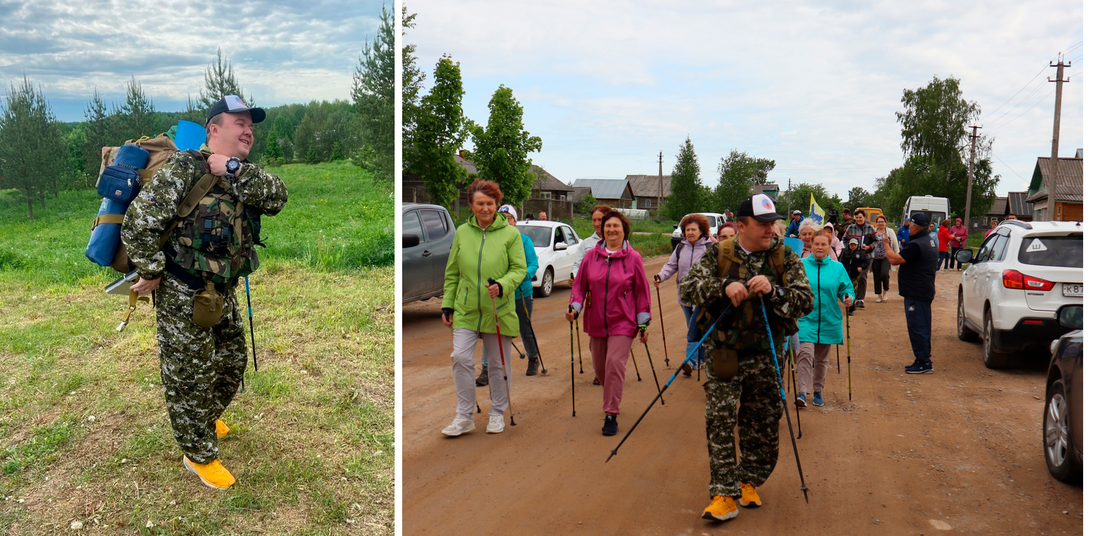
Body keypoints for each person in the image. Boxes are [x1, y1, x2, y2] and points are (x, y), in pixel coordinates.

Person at [121, 95, 288, 490]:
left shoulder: (242, 172)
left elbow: (278, 196)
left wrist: (230, 167)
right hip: (183, 289)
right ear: (213, 129)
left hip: (222, 290)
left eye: (251, 124)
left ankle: (201, 417)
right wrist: (152, 271)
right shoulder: (183, 168)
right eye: (239, 123)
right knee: (188, 376)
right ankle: (198, 454)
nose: (248, 130)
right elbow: (137, 224)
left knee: (231, 359)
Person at [679, 194, 813, 522]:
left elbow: (805, 301)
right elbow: (687, 290)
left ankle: (747, 479)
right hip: (724, 352)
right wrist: (723, 286)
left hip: (767, 353)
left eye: (772, 223)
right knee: (720, 420)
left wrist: (775, 290)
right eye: (763, 223)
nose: (771, 229)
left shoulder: (784, 257)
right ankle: (723, 494)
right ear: (741, 226)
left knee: (763, 424)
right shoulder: (719, 254)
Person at [440, 180, 528, 437]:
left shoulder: (511, 235)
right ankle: (464, 416)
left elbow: (519, 269)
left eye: (490, 203)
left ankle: (497, 412)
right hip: (466, 309)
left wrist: (502, 285)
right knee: (460, 358)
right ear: (471, 205)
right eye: (480, 203)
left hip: (497, 308)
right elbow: (453, 271)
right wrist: (448, 303)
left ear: (497, 205)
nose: (485, 208)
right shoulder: (462, 233)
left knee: (499, 364)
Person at [567, 210, 651, 436]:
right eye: (608, 226)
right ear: (602, 231)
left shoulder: (633, 258)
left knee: (615, 363)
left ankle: (611, 413)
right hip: (596, 320)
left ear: (624, 231)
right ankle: (611, 394)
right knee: (600, 367)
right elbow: (580, 287)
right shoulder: (590, 256)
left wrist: (643, 322)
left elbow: (642, 292)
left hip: (623, 321)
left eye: (616, 226)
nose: (612, 230)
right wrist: (575, 307)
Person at [476, 205, 541, 384]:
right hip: (499, 294)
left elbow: (532, 265)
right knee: (490, 329)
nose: (505, 220)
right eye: (502, 216)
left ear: (515, 221)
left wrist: (520, 276)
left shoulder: (524, 240)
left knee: (524, 328)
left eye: (509, 217)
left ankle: (533, 357)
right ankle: (486, 369)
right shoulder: (492, 239)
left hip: (521, 292)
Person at [796, 231, 854, 407]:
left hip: (828, 318)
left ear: (830, 246)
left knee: (822, 359)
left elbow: (847, 288)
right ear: (810, 246)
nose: (819, 247)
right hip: (805, 318)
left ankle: (818, 390)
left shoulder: (838, 268)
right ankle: (802, 392)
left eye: (823, 244)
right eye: (816, 244)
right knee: (804, 353)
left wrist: (848, 297)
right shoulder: (801, 265)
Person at [655, 214, 715, 378]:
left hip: (702, 296)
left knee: (694, 328)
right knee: (693, 327)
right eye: (687, 229)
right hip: (684, 295)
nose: (690, 232)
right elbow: (671, 265)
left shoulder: (710, 247)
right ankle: (701, 357)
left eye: (693, 229)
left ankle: (691, 361)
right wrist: (661, 276)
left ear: (701, 230)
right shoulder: (681, 247)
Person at [883, 211, 937, 374]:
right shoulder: (929, 240)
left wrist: (885, 244)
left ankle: (923, 362)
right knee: (923, 326)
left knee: (917, 327)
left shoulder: (917, 245)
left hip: (917, 292)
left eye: (911, 225)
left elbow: (894, 259)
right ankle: (923, 359)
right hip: (923, 290)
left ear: (914, 227)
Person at [842, 209, 877, 308]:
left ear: (864, 217)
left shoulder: (870, 228)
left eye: (860, 217)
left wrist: (869, 247)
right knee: (852, 277)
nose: (858, 219)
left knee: (862, 276)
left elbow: (877, 241)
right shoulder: (851, 228)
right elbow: (844, 239)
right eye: (856, 217)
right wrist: (849, 249)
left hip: (866, 257)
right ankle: (851, 297)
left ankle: (861, 299)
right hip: (853, 258)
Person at [571, 205, 612, 283]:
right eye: (594, 220)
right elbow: (577, 265)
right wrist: (574, 277)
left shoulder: (619, 242)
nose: (597, 224)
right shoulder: (586, 243)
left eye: (600, 220)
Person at [871, 215, 899, 302]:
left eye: (882, 221)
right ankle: (879, 295)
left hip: (886, 256)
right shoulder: (873, 232)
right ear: (876, 223)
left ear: (885, 222)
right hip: (875, 256)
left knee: (884, 274)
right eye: (879, 222)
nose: (880, 223)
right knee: (876, 276)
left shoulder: (890, 231)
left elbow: (895, 243)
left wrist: (896, 254)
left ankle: (885, 291)